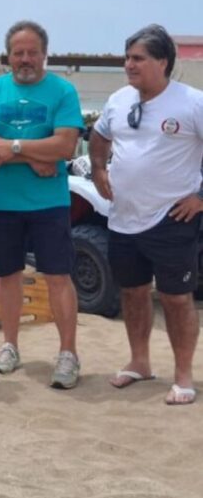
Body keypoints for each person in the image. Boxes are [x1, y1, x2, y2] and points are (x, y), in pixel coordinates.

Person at [91, 24, 202, 405]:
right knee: (133, 292)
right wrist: (99, 170)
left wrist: (200, 196)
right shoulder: (120, 99)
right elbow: (100, 135)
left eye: (138, 58)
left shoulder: (191, 103)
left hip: (172, 219)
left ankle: (183, 376)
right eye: (127, 58)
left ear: (163, 62)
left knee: (175, 298)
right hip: (123, 217)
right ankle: (140, 362)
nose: (129, 65)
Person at [0, 20, 84, 389]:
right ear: (9, 56)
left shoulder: (63, 91)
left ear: (44, 54)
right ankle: (10, 345)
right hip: (2, 202)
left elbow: (66, 146)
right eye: (18, 53)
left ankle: (68, 354)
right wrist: (36, 157)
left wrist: (15, 148)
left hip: (48, 203)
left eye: (32, 52)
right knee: (7, 277)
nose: (25, 59)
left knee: (58, 277)